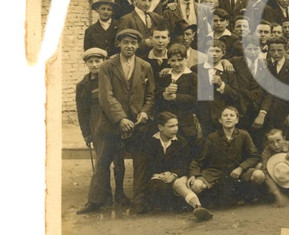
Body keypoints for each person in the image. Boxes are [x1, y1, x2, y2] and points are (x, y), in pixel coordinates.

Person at [78, 29, 154, 214]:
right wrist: (120, 118)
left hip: (137, 123)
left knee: (140, 161)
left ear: (138, 45)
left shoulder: (145, 66)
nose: (129, 46)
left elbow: (151, 94)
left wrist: (144, 112)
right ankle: (95, 201)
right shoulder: (107, 67)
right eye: (125, 42)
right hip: (111, 123)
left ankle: (138, 201)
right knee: (103, 161)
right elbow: (106, 95)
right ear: (119, 44)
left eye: (133, 43)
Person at [130, 111, 210, 218]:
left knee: (179, 184)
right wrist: (158, 174)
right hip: (159, 176)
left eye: (176, 125)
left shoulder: (181, 142)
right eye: (171, 126)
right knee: (157, 185)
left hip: (178, 175)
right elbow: (147, 164)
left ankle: (198, 207)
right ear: (160, 127)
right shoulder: (150, 142)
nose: (175, 129)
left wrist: (174, 174)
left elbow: (185, 164)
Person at [184, 105, 258, 209]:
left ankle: (247, 196)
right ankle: (206, 203)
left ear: (237, 120)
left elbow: (254, 156)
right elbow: (199, 159)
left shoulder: (244, 135)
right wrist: (193, 174)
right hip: (215, 172)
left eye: (232, 115)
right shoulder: (212, 137)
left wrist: (241, 168)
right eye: (225, 115)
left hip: (236, 170)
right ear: (220, 120)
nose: (228, 118)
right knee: (196, 185)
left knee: (258, 175)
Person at [75, 48, 107, 153]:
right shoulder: (82, 85)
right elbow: (82, 112)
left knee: (118, 162)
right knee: (101, 161)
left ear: (104, 61)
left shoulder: (111, 79)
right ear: (86, 64)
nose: (94, 65)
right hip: (96, 126)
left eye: (98, 61)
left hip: (113, 126)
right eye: (90, 61)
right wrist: (86, 134)